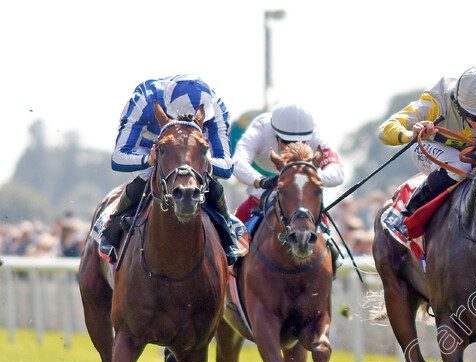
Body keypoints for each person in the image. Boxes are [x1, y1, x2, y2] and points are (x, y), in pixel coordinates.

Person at [101, 74, 242, 265]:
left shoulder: (215, 107)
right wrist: (149, 159)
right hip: (149, 148)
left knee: (209, 182)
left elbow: (226, 166)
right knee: (148, 176)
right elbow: (118, 157)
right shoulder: (144, 99)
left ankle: (227, 230)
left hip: (193, 150)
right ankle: (111, 226)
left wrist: (198, 161)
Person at [231, 102, 346, 272]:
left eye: (300, 142)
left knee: (333, 254)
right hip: (261, 192)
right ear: (275, 133)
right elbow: (238, 162)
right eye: (286, 141)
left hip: (301, 195)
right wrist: (260, 180)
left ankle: (331, 259)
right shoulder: (260, 128)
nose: (292, 146)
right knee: (230, 243)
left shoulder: (315, 133)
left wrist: (304, 179)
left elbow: (338, 172)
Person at [378, 67, 476, 222]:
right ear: (459, 106)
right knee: (459, 166)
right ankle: (412, 208)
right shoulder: (435, 106)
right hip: (428, 150)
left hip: (472, 156)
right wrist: (411, 135)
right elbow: (385, 130)